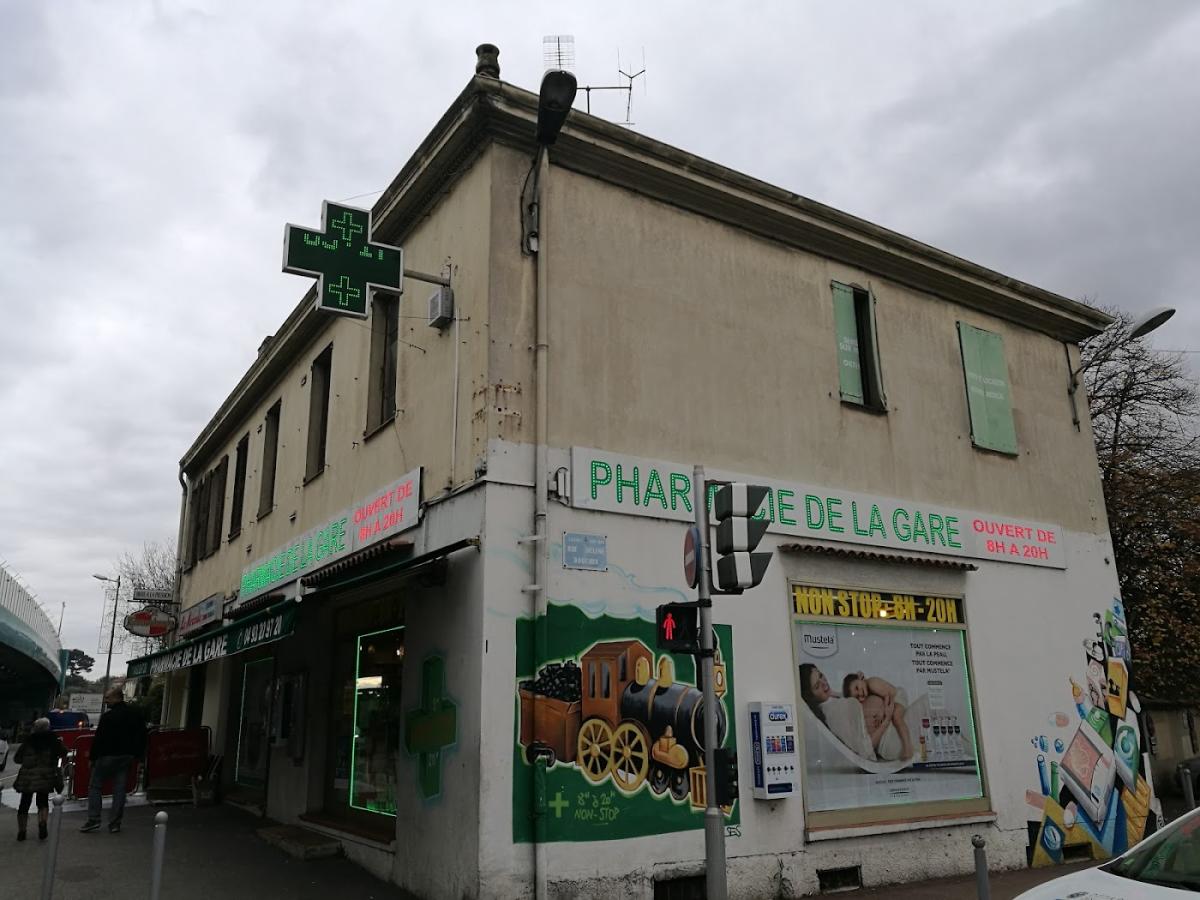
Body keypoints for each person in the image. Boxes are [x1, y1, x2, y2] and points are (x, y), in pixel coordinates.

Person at [80, 688, 146, 834]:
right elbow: (142, 735)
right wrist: (139, 756)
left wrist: (92, 758)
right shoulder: (135, 714)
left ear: (117, 698)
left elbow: (99, 739)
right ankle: (115, 823)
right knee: (119, 789)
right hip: (127, 756)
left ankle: (94, 819)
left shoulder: (107, 717)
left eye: (108, 698)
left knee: (95, 786)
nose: (106, 701)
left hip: (107, 756)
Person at [12, 718, 67, 842]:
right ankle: (42, 823)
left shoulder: (28, 741)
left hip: (27, 777)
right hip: (45, 775)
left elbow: (17, 758)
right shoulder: (53, 740)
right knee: (42, 801)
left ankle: (22, 831)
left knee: (24, 803)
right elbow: (64, 752)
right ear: (48, 727)